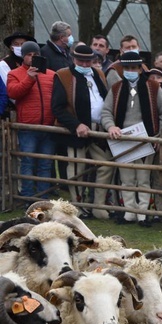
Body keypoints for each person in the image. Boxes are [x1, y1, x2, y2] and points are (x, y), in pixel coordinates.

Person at [101, 51, 162, 227]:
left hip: (146, 139)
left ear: (140, 69)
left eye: (133, 67)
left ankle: (143, 213)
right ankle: (129, 213)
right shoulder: (116, 88)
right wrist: (111, 126)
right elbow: (106, 112)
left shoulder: (153, 87)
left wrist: (159, 136)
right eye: (127, 68)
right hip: (123, 139)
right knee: (126, 179)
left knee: (143, 178)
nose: (130, 70)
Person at [51, 44, 111, 219]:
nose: (85, 64)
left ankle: (98, 206)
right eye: (81, 61)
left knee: (106, 165)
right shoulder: (63, 75)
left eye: (88, 61)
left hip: (98, 129)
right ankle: (77, 206)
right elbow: (58, 107)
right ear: (73, 59)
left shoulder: (98, 74)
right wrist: (76, 125)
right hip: (76, 130)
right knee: (76, 167)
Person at [7, 41, 56, 201]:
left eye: (35, 55)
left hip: (48, 127)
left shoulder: (51, 74)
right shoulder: (14, 73)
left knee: (46, 164)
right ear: (23, 56)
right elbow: (13, 93)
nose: (32, 57)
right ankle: (27, 198)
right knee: (27, 163)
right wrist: (29, 78)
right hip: (27, 126)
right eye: (29, 55)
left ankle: (43, 197)